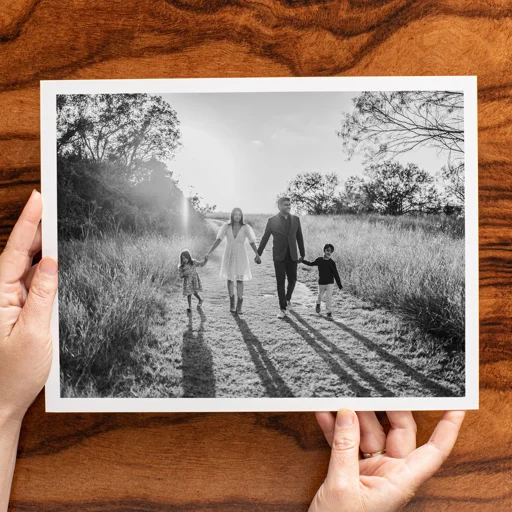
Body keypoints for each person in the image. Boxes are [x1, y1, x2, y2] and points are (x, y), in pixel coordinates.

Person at [0, 191, 466, 512]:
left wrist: (5, 409)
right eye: (275, 205)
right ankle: (280, 306)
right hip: (253, 260)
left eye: (281, 205)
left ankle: (274, 302)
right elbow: (244, 238)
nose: (278, 209)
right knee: (267, 290)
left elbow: (280, 240)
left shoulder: (293, 222)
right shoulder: (249, 228)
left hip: (272, 262)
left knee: (267, 283)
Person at [256, 197, 305, 319]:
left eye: (289, 205)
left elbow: (299, 237)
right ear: (279, 206)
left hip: (292, 255)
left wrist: (302, 254)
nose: (288, 207)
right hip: (279, 256)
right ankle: (282, 309)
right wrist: (258, 253)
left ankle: (288, 299)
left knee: (293, 280)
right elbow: (265, 237)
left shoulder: (296, 219)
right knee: (280, 283)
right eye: (285, 205)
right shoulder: (272, 221)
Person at [205, 207, 258, 315]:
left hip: (241, 255)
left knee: (239, 280)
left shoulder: (245, 227)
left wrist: (257, 254)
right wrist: (209, 252)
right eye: (235, 214)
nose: (237, 216)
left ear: (241, 216)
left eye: (239, 214)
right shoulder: (226, 226)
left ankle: (239, 305)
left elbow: (252, 242)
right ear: (232, 216)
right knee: (230, 279)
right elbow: (218, 240)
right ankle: (232, 303)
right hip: (229, 255)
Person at [302, 243, 342, 319]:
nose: (329, 252)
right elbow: (311, 264)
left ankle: (329, 313)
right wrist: (302, 260)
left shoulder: (332, 263)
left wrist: (339, 284)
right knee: (320, 295)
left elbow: (336, 274)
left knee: (328, 297)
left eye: (331, 251)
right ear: (324, 250)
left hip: (330, 282)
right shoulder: (319, 260)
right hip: (322, 282)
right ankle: (318, 304)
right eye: (327, 250)